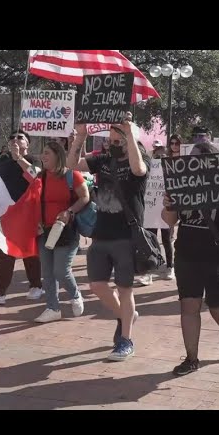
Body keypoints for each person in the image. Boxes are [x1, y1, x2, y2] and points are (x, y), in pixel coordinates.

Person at [67, 113, 149, 362]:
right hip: (101, 233)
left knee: (125, 289)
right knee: (97, 285)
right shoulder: (102, 161)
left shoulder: (140, 158)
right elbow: (71, 165)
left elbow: (138, 169)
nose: (111, 144)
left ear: (129, 141)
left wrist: (130, 135)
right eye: (110, 139)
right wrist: (80, 136)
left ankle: (126, 340)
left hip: (126, 235)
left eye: (117, 140)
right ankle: (126, 316)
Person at [161, 142, 219, 376]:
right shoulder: (181, 184)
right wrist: (168, 205)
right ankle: (191, 358)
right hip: (187, 253)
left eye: (198, 159)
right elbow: (169, 221)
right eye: (192, 159)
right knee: (189, 306)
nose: (192, 164)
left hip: (216, 256)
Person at [12, 140, 89, 323]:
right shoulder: (41, 177)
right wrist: (17, 157)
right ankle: (52, 308)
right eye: (43, 153)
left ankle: (75, 295)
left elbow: (84, 196)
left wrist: (69, 212)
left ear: (57, 156)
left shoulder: (72, 175)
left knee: (61, 270)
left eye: (47, 153)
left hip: (66, 231)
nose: (43, 156)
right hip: (44, 231)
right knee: (47, 273)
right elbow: (29, 168)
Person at [0, 132, 44, 305]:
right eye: (12, 137)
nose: (15, 139)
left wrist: (19, 158)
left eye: (20, 137)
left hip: (28, 212)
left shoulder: (34, 160)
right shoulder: (4, 163)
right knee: (9, 250)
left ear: (27, 144)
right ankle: (6, 291)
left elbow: (35, 177)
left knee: (26, 251)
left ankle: (29, 287)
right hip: (9, 213)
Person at [141, 142, 174, 284]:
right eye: (157, 154)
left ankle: (170, 267)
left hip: (166, 209)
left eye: (162, 154)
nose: (160, 156)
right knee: (151, 240)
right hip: (151, 209)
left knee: (167, 240)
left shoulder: (171, 170)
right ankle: (150, 270)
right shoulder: (147, 168)